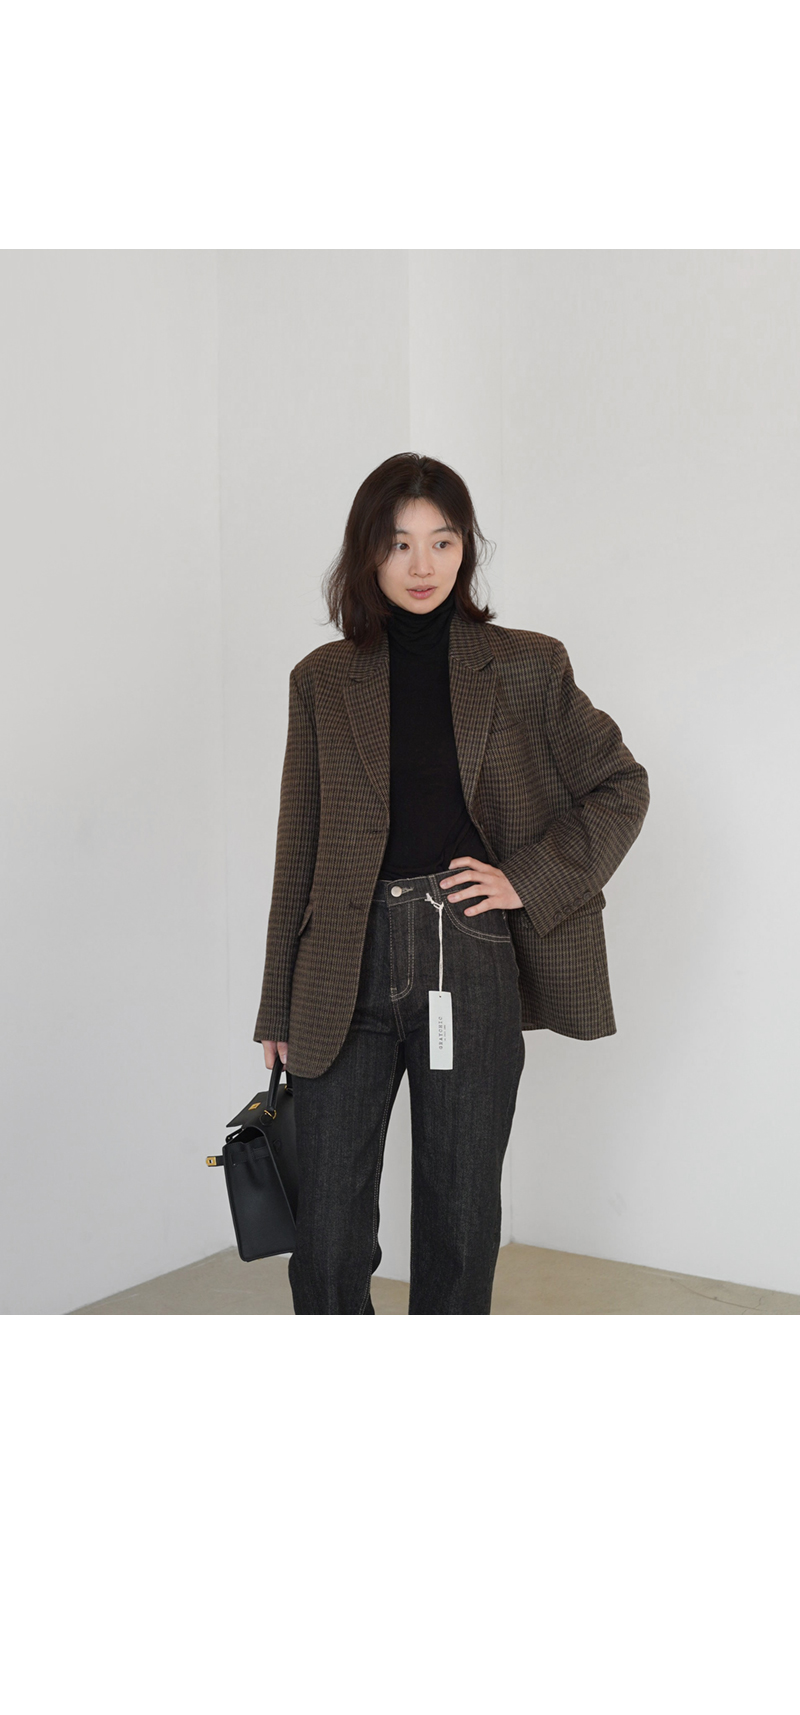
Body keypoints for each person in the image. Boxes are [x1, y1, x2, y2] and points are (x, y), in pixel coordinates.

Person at [254, 453, 650, 1314]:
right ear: (367, 552)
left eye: (442, 541)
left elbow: (621, 784)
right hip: (343, 961)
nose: (423, 564)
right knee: (326, 1228)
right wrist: (275, 1002)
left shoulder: (527, 665)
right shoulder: (321, 680)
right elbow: (299, 843)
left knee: (460, 1213)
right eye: (399, 543)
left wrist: (525, 878)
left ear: (467, 548)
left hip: (464, 953)